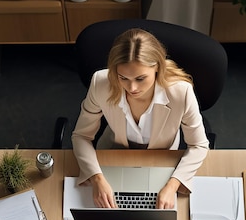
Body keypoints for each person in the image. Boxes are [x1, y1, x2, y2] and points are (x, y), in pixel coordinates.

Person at [71, 28, 209, 209]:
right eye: (123, 78)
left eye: (141, 78)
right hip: (114, 153)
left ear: (158, 67)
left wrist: (172, 184)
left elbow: (199, 145)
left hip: (161, 158)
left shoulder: (181, 92)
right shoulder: (101, 83)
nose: (132, 87)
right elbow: (81, 135)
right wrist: (97, 178)